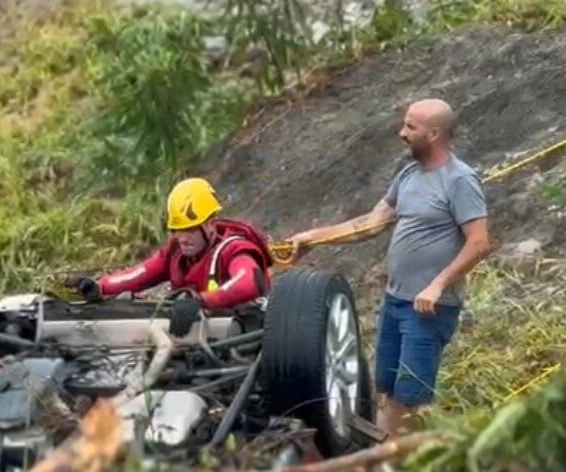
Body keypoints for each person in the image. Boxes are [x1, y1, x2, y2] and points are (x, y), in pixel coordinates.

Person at [314, 98, 493, 438]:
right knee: (388, 388)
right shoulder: (409, 174)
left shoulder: (460, 181)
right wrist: (311, 239)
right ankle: (388, 457)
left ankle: (411, 465)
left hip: (429, 308)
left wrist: (438, 284)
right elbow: (371, 223)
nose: (402, 133)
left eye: (411, 127)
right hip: (397, 301)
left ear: (435, 133)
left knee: (413, 397)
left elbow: (479, 242)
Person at [65, 177, 274, 337]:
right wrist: (99, 287)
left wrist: (202, 301)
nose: (183, 238)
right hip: (190, 335)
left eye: (190, 230)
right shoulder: (176, 252)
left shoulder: (233, 248)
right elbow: (137, 275)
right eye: (177, 230)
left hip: (240, 335)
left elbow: (249, 282)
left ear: (210, 224)